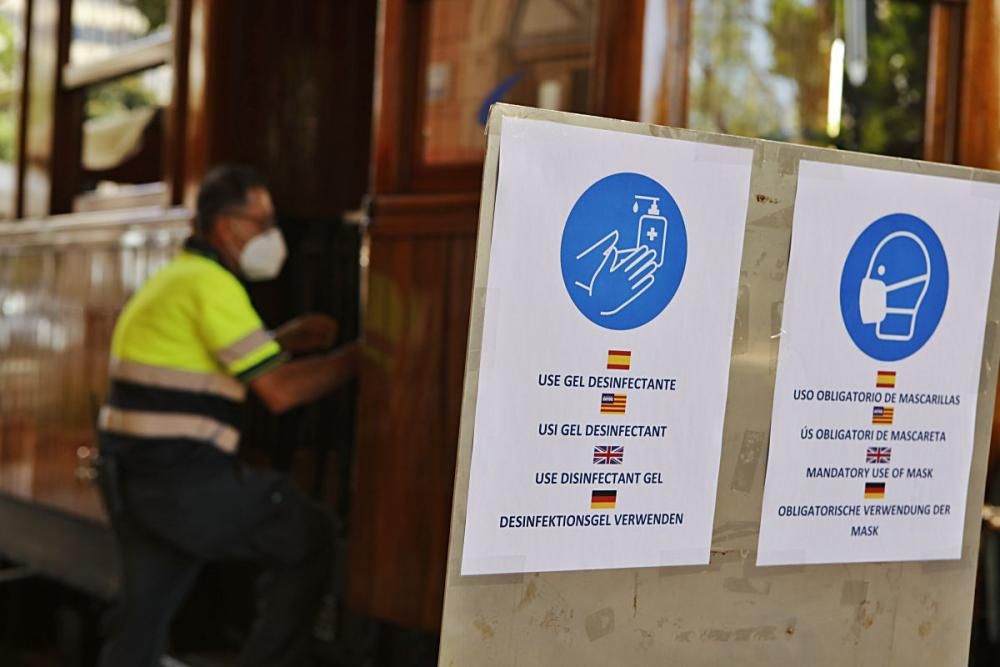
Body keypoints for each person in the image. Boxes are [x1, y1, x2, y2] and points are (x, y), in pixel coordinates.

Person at [95, 164, 358, 667]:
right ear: (222, 224)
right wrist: (363, 355)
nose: (270, 234)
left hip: (133, 478)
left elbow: (211, 362)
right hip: (182, 481)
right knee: (310, 535)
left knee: (140, 629)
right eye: (259, 221)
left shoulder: (175, 279)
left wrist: (283, 340)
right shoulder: (210, 284)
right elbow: (279, 391)